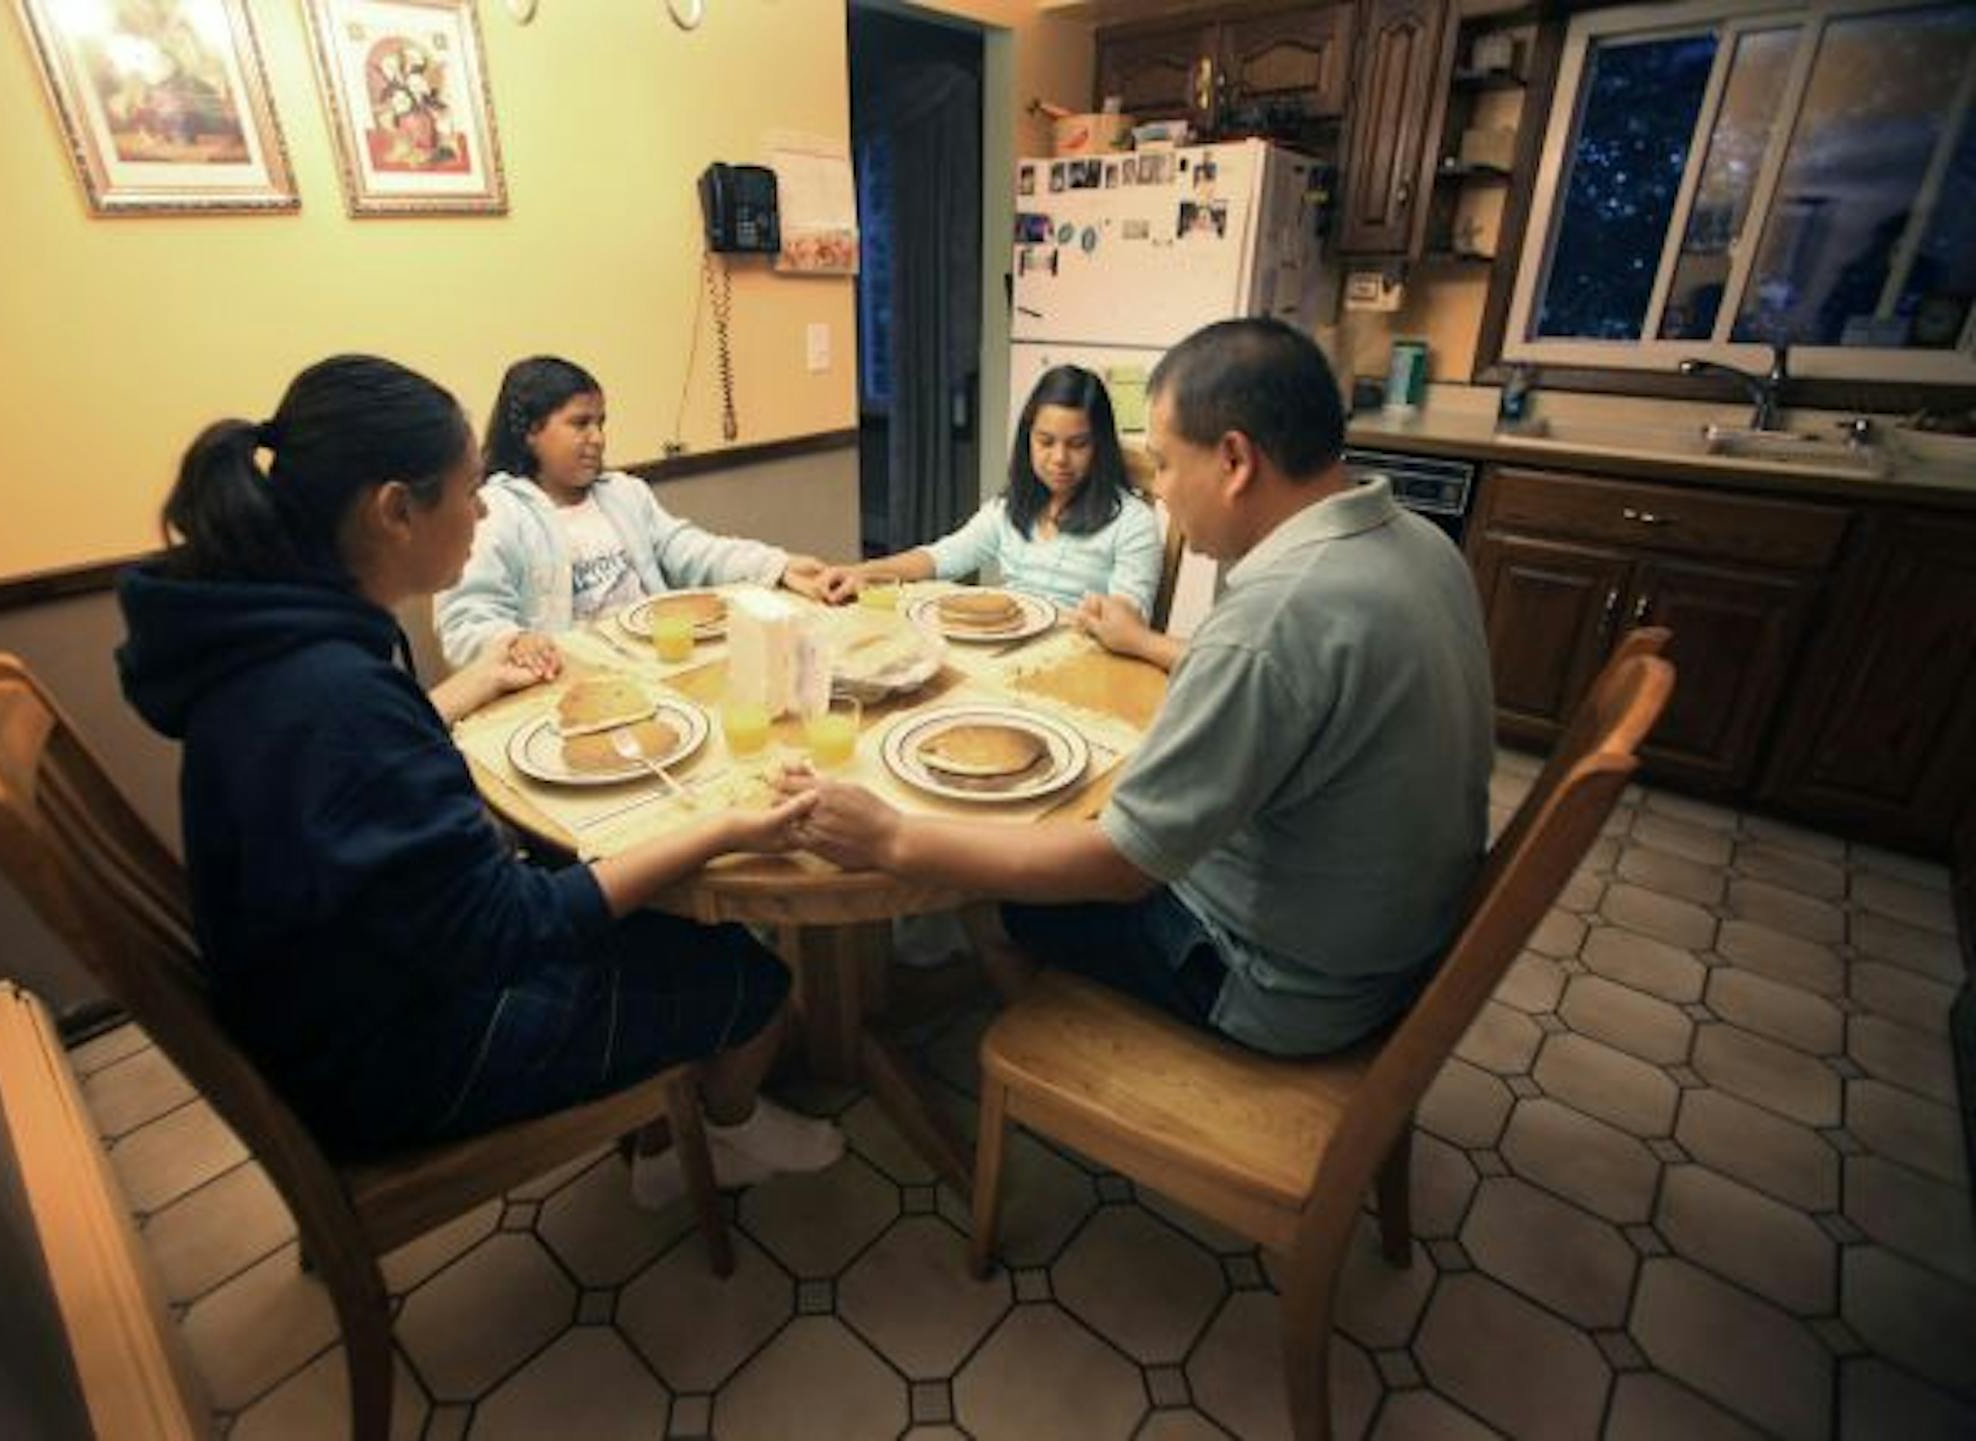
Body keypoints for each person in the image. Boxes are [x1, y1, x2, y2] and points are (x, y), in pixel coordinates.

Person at [117, 355, 842, 1205]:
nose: (483, 506)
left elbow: (382, 783)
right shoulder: (330, 696)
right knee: (748, 975)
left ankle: (668, 1126)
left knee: (627, 889)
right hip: (395, 1064)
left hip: (341, 1005)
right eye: (467, 489)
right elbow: (507, 923)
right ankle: (717, 1141)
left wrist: (460, 690)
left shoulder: (281, 646)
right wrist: (724, 827)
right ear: (394, 510)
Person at [781, 319, 1493, 1056]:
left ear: (1235, 460)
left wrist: (892, 836)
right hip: (1387, 956)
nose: (1160, 487)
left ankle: (1060, 1055)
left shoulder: (1271, 616)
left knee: (997, 878)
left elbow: (1119, 866)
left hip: (1274, 982)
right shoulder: (1423, 544)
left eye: (1164, 463)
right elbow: (1294, 683)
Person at [435, 356, 841, 664]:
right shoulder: (497, 513)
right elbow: (467, 618)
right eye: (580, 424)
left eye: (601, 423)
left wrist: (777, 565)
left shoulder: (624, 494)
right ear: (530, 432)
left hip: (659, 663)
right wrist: (512, 643)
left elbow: (690, 549)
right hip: (570, 680)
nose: (597, 438)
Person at [822, 365, 1162, 617]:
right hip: (1010, 655)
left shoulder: (1133, 523)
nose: (1059, 459)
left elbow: (1129, 621)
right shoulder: (1009, 509)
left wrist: (1100, 616)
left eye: (1078, 444)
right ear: (1027, 440)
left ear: (1099, 445)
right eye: (1045, 442)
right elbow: (939, 558)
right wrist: (860, 572)